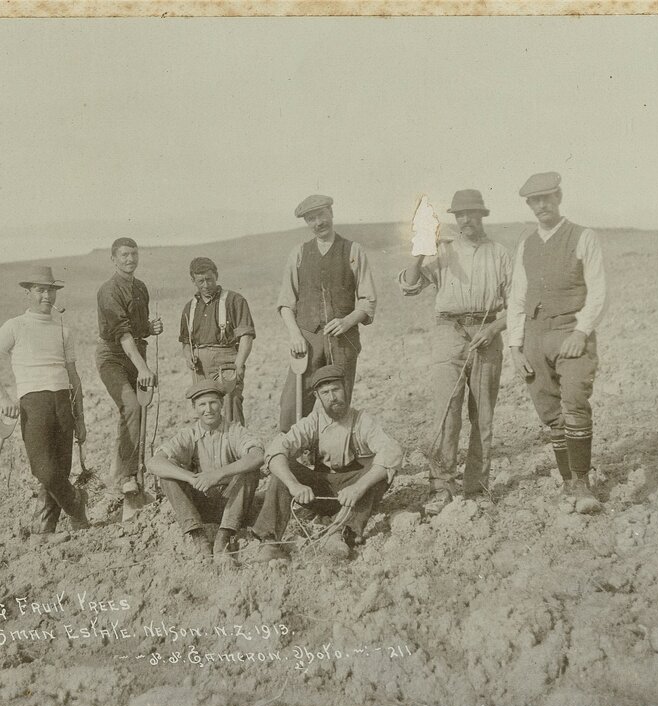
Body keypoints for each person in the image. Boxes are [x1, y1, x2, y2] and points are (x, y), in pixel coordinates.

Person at [399, 189, 513, 514]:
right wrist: (421, 249)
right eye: (460, 214)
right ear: (455, 218)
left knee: (483, 416)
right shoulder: (443, 252)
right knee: (446, 413)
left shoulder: (500, 254)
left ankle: (476, 487)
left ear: (482, 215)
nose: (466, 220)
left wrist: (493, 329)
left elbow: (518, 305)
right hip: (449, 333)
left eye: (472, 213)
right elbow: (409, 285)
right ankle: (441, 486)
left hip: (487, 335)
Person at [508, 172, 608, 514]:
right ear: (529, 205)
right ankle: (567, 484)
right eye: (535, 201)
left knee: (575, 402)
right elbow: (517, 299)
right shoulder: (526, 244)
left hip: (571, 330)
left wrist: (581, 332)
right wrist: (514, 348)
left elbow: (598, 291)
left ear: (559, 197)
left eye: (547, 198)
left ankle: (582, 483)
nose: (542, 205)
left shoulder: (583, 236)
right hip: (535, 336)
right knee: (550, 413)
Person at [252, 365, 403, 561]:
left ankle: (340, 533)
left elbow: (392, 451)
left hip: (353, 495)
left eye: (336, 390)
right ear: (318, 396)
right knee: (282, 468)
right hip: (319, 490)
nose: (332, 397)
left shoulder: (362, 420)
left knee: (380, 472)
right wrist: (294, 485)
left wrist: (358, 487)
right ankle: (269, 541)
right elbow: (277, 448)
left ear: (346, 389)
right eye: (325, 393)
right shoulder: (312, 422)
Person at [0, 265, 89, 534]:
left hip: (63, 402)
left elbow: (74, 377)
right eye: (40, 290)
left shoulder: (63, 329)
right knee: (44, 471)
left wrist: (81, 418)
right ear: (28, 292)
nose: (47, 297)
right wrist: (3, 397)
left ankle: (45, 532)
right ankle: (77, 506)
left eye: (51, 290)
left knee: (60, 473)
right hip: (34, 404)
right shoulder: (15, 326)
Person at [276, 195, 378, 432]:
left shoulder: (353, 250)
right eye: (311, 219)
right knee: (292, 405)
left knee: (337, 403)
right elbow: (285, 303)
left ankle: (332, 458)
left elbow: (367, 299)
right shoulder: (299, 253)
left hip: (344, 341)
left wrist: (348, 321)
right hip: (307, 341)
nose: (318, 223)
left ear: (331, 213)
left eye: (321, 215)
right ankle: (290, 458)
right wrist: (295, 335)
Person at [146, 379, 265, 567]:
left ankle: (224, 538)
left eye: (213, 403)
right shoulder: (189, 435)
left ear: (221, 405)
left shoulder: (234, 431)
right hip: (201, 503)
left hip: (233, 504)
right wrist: (191, 478)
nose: (208, 409)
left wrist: (217, 475)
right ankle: (198, 536)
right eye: (202, 404)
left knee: (250, 472)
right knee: (168, 476)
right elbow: (154, 462)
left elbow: (257, 456)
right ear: (194, 408)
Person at [95, 237, 164, 521]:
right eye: (123, 255)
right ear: (113, 258)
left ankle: (127, 473)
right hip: (113, 356)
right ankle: (126, 476)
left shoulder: (141, 288)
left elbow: (137, 329)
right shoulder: (108, 290)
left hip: (136, 352)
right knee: (131, 406)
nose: (129, 259)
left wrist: (150, 327)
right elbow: (123, 334)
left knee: (139, 411)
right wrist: (143, 368)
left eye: (133, 254)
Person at [178, 257, 256, 425]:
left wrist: (239, 364)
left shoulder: (234, 301)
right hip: (200, 367)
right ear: (193, 281)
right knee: (205, 408)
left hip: (226, 362)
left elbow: (246, 336)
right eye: (200, 281)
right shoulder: (189, 307)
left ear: (216, 276)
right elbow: (185, 341)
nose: (206, 285)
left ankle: (235, 449)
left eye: (209, 279)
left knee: (231, 405)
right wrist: (188, 356)